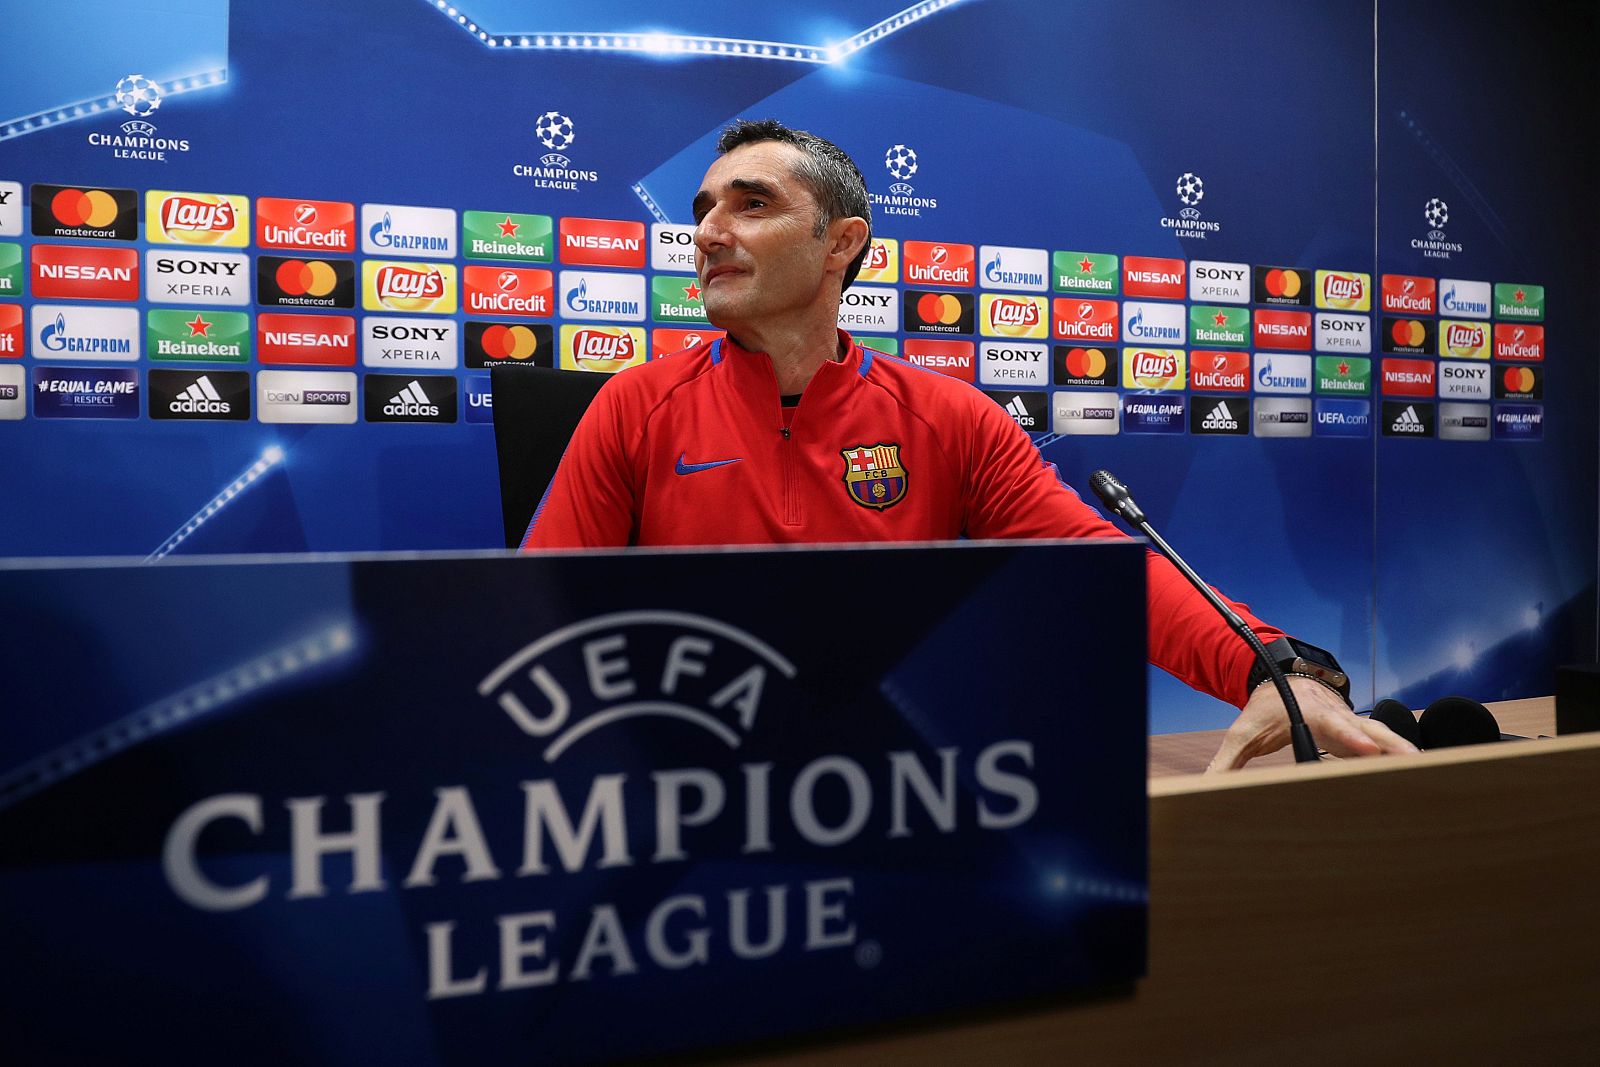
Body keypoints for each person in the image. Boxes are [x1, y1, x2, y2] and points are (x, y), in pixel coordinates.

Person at [522, 118, 1414, 770]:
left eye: (751, 205)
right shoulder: (634, 406)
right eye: (705, 209)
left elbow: (1101, 568)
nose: (710, 231)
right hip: (681, 787)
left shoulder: (948, 417)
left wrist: (1278, 667)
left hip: (894, 785)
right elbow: (529, 618)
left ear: (842, 244)